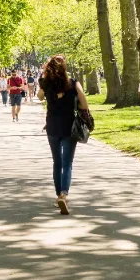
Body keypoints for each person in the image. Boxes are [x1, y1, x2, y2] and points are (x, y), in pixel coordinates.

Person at [37, 55, 91, 215]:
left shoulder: (46, 83)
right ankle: (63, 194)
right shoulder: (73, 83)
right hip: (69, 127)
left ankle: (58, 195)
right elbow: (85, 103)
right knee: (67, 163)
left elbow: (39, 97)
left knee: (57, 162)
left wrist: (46, 82)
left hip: (52, 126)